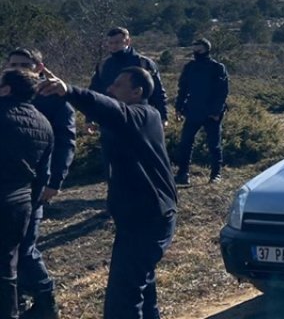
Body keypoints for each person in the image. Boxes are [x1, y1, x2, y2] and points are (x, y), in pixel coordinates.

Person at [37, 67, 177, 319]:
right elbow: (107, 111)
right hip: (142, 215)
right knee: (141, 288)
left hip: (148, 217)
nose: (110, 89)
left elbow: (112, 110)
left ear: (137, 92)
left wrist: (68, 90)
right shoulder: (139, 117)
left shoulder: (143, 114)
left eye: (118, 85)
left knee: (122, 300)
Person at [7, 50, 73, 319]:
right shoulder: (6, 94)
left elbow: (65, 144)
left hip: (34, 186)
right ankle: (18, 298)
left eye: (25, 65)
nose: (19, 69)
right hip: (10, 186)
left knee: (25, 248)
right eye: (14, 65)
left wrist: (54, 181)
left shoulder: (56, 101)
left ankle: (47, 301)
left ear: (40, 68)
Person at [1, 69, 53, 319]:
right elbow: (43, 173)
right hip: (21, 203)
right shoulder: (44, 123)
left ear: (7, 89)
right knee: (7, 266)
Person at [173, 39, 229, 186]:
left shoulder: (217, 67)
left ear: (206, 49)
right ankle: (183, 173)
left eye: (199, 49)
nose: (196, 51)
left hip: (211, 113)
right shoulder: (190, 67)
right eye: (194, 48)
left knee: (214, 144)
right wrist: (178, 107)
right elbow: (183, 89)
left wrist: (216, 111)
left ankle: (216, 174)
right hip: (193, 110)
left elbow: (222, 92)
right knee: (185, 142)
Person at [90, 28, 168, 124]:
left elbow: (157, 92)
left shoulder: (143, 63)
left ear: (127, 41)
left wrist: (163, 116)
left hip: (139, 117)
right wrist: (90, 118)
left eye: (117, 42)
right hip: (111, 117)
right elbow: (95, 92)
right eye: (111, 43)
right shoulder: (103, 65)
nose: (114, 46)